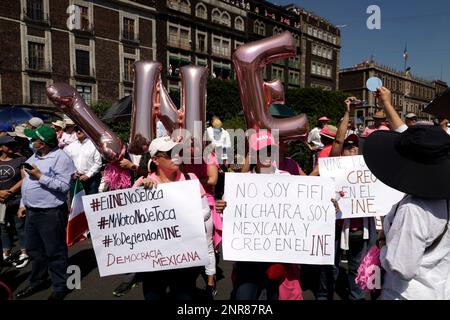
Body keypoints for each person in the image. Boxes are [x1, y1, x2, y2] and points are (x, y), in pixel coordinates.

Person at [363, 125, 450, 300]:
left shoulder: (413, 209)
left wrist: (382, 244)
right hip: (438, 288)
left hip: (405, 294)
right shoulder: (445, 199)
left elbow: (402, 267)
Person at [135, 136, 212, 300]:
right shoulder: (143, 183)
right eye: (169, 153)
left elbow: (205, 211)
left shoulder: (190, 178)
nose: (176, 156)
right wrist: (140, 192)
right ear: (155, 159)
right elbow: (130, 219)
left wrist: (181, 216)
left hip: (184, 259)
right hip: (154, 262)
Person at [232, 131, 302, 301]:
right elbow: (231, 213)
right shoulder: (241, 183)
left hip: (277, 258)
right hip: (249, 257)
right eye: (262, 151)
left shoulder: (287, 179)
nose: (267, 155)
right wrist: (224, 206)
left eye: (271, 150)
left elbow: (304, 210)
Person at [322, 97, 376, 300]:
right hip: (337, 226)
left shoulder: (367, 169)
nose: (352, 150)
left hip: (361, 228)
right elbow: (337, 140)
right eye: (348, 148)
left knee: (357, 267)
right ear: (341, 151)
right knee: (331, 268)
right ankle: (324, 295)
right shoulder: (336, 166)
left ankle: (356, 297)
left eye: (355, 148)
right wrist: (347, 112)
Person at [15, 125, 76, 300]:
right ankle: (38, 281)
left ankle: (60, 287)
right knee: (35, 250)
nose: (31, 141)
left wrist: (40, 176)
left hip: (50, 213)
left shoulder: (61, 158)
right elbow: (27, 182)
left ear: (42, 143)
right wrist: (22, 204)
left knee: (55, 251)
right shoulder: (36, 155)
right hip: (31, 211)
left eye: (34, 139)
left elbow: (64, 187)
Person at [182, 142, 219, 300]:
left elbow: (213, 180)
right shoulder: (180, 157)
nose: (190, 147)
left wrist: (192, 183)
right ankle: (187, 282)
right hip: (184, 204)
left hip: (205, 202)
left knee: (207, 245)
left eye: (193, 144)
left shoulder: (208, 156)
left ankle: (210, 283)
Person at [0, 136, 28, 268]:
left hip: (16, 198)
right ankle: (6, 252)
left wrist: (10, 191)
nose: (11, 147)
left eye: (13, 144)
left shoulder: (21, 159)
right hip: (1, 201)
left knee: (20, 226)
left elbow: (25, 178)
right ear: (1, 148)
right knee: (3, 227)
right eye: (8, 145)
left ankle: (24, 252)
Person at [64, 126, 102, 195]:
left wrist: (88, 175)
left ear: (87, 131)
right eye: (76, 130)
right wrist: (73, 173)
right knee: (76, 204)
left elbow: (98, 163)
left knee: (91, 203)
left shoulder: (94, 145)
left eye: (81, 130)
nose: (78, 132)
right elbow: (66, 162)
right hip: (75, 180)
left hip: (91, 180)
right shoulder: (70, 146)